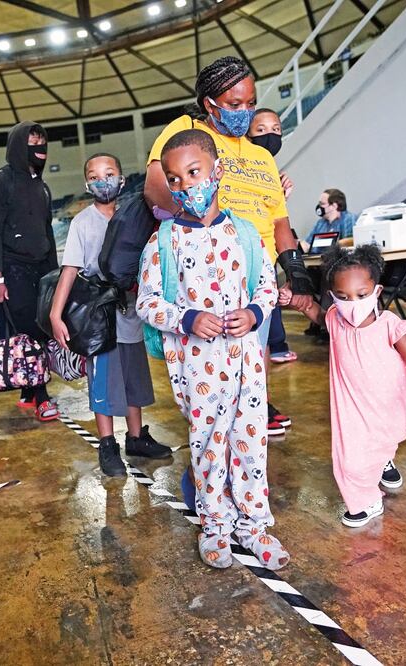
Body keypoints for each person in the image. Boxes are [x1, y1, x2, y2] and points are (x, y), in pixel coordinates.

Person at [138, 129, 289, 570]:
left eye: (194, 172)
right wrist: (186, 319)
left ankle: (254, 526)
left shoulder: (245, 233)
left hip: (247, 364)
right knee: (208, 444)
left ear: (217, 170)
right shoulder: (163, 242)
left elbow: (267, 287)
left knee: (251, 442)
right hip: (197, 368)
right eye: (174, 179)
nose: (185, 185)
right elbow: (147, 302)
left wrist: (255, 314)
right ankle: (215, 526)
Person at [144, 56, 313, 437]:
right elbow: (156, 186)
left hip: (256, 272)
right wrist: (197, 225)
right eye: (234, 104)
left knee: (254, 351)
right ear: (210, 103)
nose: (245, 112)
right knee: (207, 367)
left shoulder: (261, 156)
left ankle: (253, 413)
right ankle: (211, 436)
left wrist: (295, 270)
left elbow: (279, 222)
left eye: (250, 103)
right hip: (206, 269)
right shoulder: (187, 130)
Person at [293, 245, 406, 527]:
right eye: (342, 297)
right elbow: (318, 315)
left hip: (385, 405)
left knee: (383, 440)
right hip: (351, 409)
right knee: (350, 458)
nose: (352, 303)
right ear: (333, 296)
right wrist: (298, 301)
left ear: (377, 291)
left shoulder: (388, 325)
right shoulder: (336, 320)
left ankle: (384, 460)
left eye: (361, 295)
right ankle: (366, 501)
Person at [50, 152, 172, 476]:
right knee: (103, 382)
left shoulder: (136, 217)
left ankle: (136, 438)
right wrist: (55, 315)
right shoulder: (82, 222)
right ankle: (107, 444)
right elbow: (70, 270)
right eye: (94, 176)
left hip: (132, 312)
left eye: (108, 174)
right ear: (86, 184)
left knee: (134, 379)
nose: (102, 181)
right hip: (100, 318)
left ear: (121, 179)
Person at [0, 120, 59, 421]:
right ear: (17, 145)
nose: (39, 147)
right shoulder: (0, 181)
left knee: (41, 328)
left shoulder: (42, 186)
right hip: (13, 270)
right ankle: (41, 396)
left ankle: (28, 388)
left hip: (42, 269)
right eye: (32, 141)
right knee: (30, 332)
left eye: (42, 141)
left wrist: (54, 275)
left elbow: (47, 232)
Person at [248, 108, 296, 365]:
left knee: (263, 334)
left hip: (268, 257)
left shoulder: (274, 173)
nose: (270, 135)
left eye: (276, 129)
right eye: (261, 130)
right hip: (241, 259)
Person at [303, 188, 358, 343]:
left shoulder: (349, 219)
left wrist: (334, 245)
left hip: (343, 268)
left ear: (334, 205)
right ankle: (318, 318)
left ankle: (326, 326)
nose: (319, 207)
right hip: (319, 265)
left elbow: (351, 241)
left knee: (328, 275)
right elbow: (308, 243)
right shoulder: (321, 223)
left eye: (322, 204)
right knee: (302, 277)